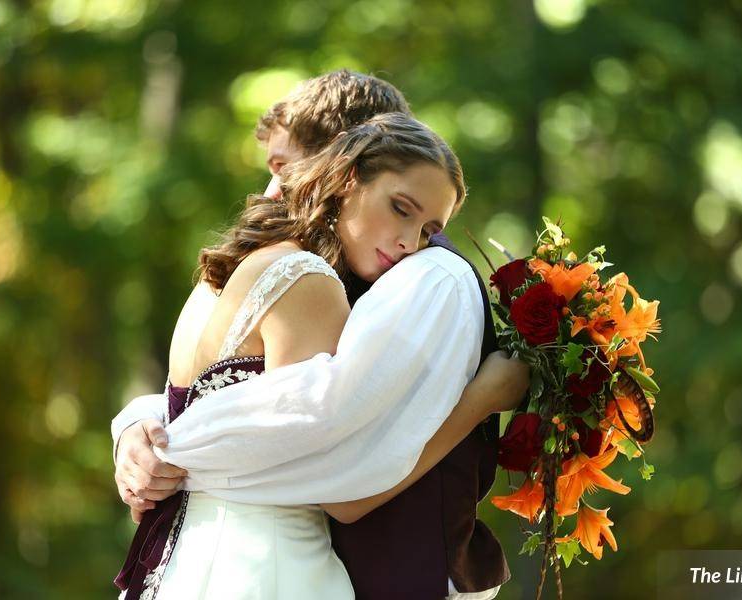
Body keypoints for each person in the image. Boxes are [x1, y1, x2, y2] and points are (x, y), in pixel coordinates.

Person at [114, 72, 527, 599]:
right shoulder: (306, 281)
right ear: (351, 173)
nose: (272, 189)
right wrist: (484, 399)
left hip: (195, 556)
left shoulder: (223, 280)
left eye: (286, 167)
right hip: (267, 564)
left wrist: (142, 432)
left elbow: (195, 411)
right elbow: (342, 477)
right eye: (401, 209)